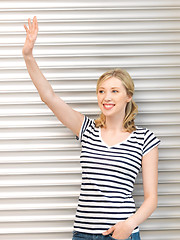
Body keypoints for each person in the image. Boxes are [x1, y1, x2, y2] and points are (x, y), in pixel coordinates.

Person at [23, 16, 161, 240]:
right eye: (101, 91)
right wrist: (28, 55)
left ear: (128, 96)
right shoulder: (86, 129)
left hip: (122, 235)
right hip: (83, 234)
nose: (106, 97)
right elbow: (48, 96)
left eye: (115, 91)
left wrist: (130, 224)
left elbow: (152, 198)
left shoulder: (145, 139)